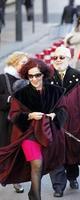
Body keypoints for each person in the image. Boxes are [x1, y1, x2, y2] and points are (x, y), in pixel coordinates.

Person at [0, 58, 68, 200]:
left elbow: (64, 110)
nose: (34, 79)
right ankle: (36, 196)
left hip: (49, 134)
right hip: (28, 134)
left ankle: (33, 191)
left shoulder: (56, 91)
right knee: (37, 163)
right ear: (26, 76)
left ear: (43, 74)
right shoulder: (20, 94)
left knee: (45, 164)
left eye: (37, 75)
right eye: (31, 76)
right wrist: (29, 115)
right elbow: (13, 115)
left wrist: (54, 115)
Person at [48, 46, 80, 197]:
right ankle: (58, 186)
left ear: (69, 59)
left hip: (75, 122)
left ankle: (72, 177)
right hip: (54, 125)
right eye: (55, 58)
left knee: (72, 154)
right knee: (56, 155)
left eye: (61, 57)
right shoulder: (47, 79)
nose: (58, 60)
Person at [0, 51, 29, 193]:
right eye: (23, 62)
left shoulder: (29, 79)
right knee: (5, 150)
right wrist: (9, 100)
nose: (26, 66)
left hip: (21, 122)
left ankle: (16, 180)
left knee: (18, 152)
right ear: (14, 62)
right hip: (5, 122)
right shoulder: (2, 78)